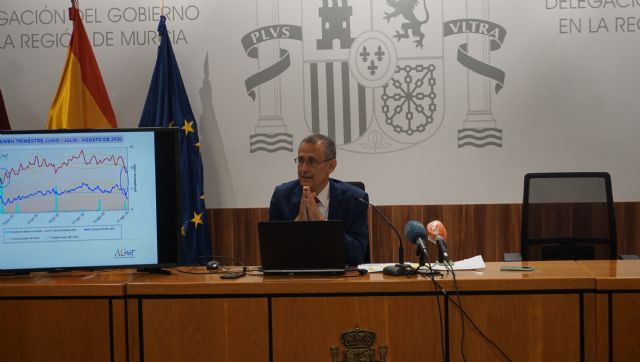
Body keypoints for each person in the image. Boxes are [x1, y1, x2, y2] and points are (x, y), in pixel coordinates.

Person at [269, 134, 369, 265]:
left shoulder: (355, 199)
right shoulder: (282, 197)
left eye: (311, 161)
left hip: (340, 281)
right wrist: (296, 227)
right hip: (294, 279)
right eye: (300, 160)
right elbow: (273, 254)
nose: (303, 169)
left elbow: (357, 254)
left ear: (331, 166)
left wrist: (323, 225)